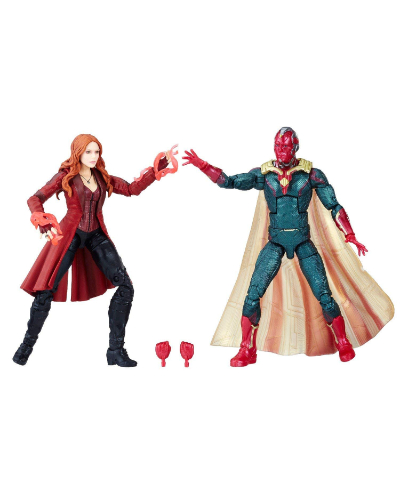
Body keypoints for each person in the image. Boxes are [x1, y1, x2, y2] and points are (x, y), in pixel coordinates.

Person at [183, 127, 394, 366]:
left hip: (303, 241)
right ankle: (246, 348)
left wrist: (350, 234)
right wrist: (203, 165)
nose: (281, 150)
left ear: (295, 148)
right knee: (252, 296)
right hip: (275, 242)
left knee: (324, 295)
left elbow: (334, 205)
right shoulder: (265, 174)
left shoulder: (311, 174)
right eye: (278, 146)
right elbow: (229, 182)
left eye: (285, 146)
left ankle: (342, 341)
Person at [14, 134, 174, 367]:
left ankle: (115, 351)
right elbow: (35, 198)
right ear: (77, 153)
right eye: (88, 152)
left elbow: (131, 189)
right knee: (45, 290)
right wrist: (41, 219)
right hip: (70, 234)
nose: (93, 156)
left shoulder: (101, 176)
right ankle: (25, 348)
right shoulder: (66, 176)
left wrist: (156, 169)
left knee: (126, 288)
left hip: (96, 235)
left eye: (96, 151)